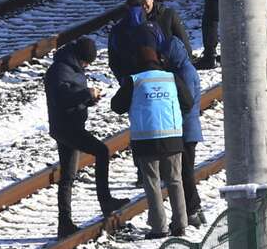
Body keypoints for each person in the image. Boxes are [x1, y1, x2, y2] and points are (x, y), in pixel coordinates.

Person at [44, 36, 124, 236]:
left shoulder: (73, 68)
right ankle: (105, 201)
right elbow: (62, 99)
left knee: (68, 176)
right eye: (86, 62)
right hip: (66, 128)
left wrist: (89, 100)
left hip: (70, 125)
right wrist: (86, 93)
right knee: (102, 151)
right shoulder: (60, 71)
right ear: (79, 57)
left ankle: (65, 223)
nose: (87, 65)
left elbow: (73, 97)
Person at [126, 44, 190, 238]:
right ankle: (180, 224)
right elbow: (188, 102)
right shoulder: (171, 78)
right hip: (172, 137)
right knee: (175, 180)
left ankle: (159, 227)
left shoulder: (135, 81)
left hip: (146, 140)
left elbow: (116, 106)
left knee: (152, 182)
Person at [162, 32, 206, 228]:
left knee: (185, 172)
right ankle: (193, 209)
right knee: (184, 171)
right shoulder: (184, 70)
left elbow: (185, 103)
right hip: (188, 129)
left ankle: (193, 208)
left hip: (186, 130)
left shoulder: (185, 73)